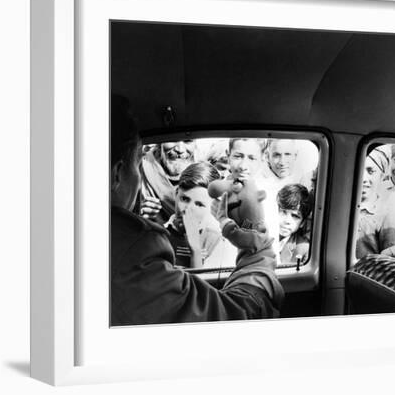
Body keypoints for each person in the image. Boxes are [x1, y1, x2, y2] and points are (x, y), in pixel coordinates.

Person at [110, 95, 284, 325]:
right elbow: (238, 319)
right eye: (137, 165)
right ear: (117, 174)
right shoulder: (134, 251)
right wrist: (256, 247)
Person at [165, 161, 237, 268]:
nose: (188, 209)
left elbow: (201, 284)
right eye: (184, 199)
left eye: (199, 204)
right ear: (176, 194)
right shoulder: (159, 234)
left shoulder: (216, 240)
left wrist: (196, 251)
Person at [355, 147, 395, 259]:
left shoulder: (386, 215)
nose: (364, 178)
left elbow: (392, 263)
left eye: (370, 171)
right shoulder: (339, 208)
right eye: (359, 170)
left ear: (382, 175)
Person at [139, 139, 196, 225]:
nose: (180, 149)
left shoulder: (201, 172)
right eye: (172, 139)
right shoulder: (142, 168)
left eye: (187, 141)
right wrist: (138, 216)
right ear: (160, 142)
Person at [276, 184, 312, 264]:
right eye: (283, 212)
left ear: (302, 223)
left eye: (295, 216)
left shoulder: (303, 249)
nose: (287, 221)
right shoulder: (258, 236)